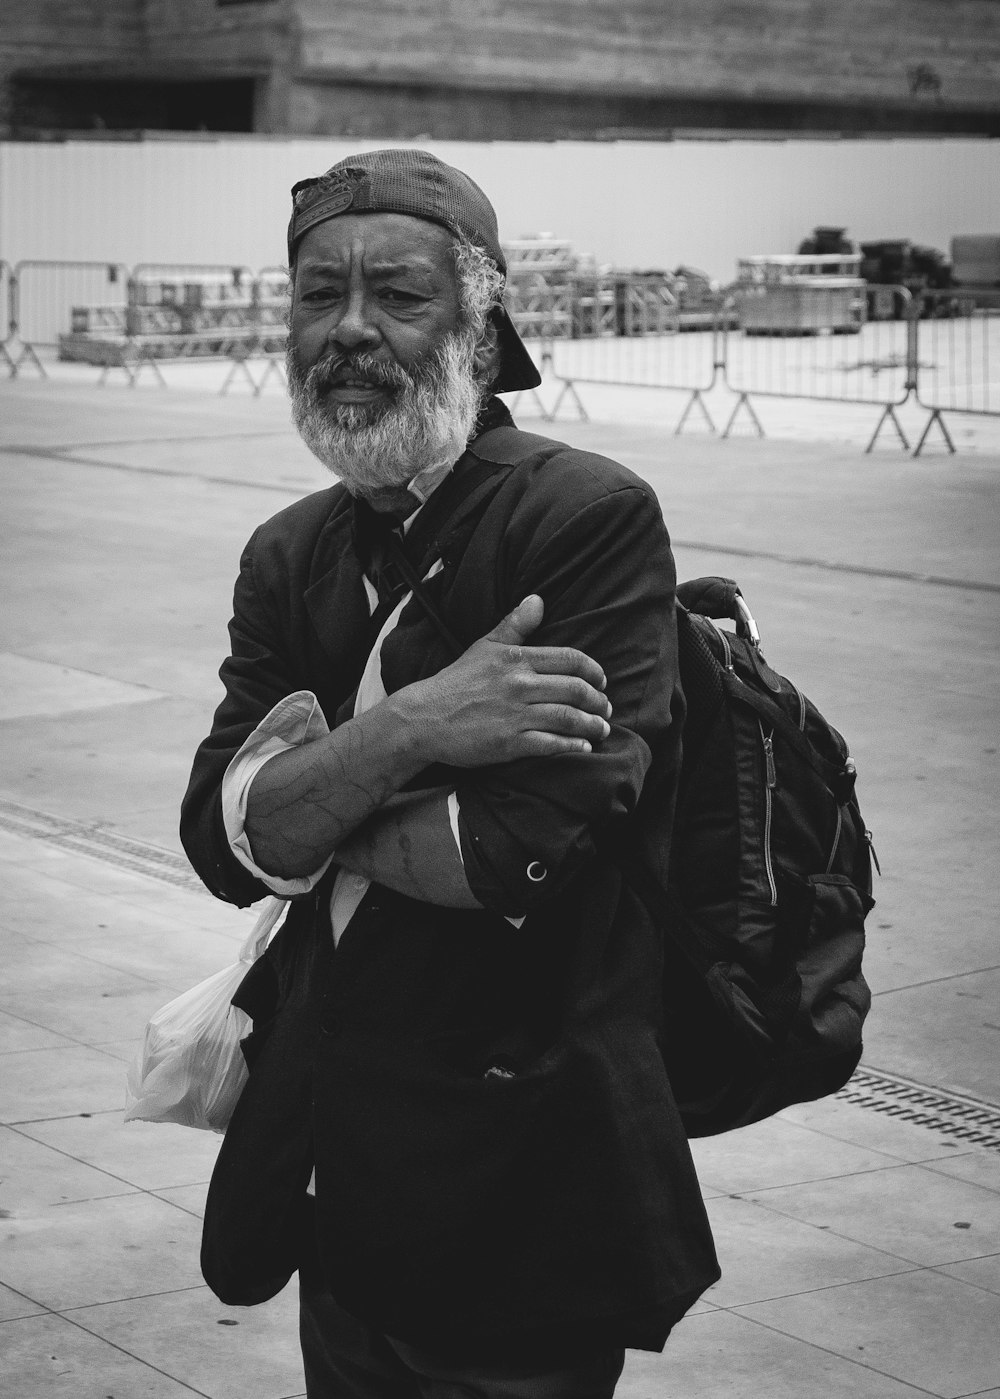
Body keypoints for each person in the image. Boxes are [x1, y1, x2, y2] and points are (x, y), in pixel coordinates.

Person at [180, 147, 719, 1399]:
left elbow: (509, 852)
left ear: (479, 323)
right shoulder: (288, 554)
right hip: (336, 1149)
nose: (350, 329)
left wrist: (298, 809)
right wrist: (420, 725)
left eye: (399, 295)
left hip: (524, 1167)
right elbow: (219, 850)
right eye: (319, 294)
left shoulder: (578, 518)